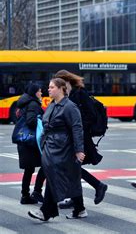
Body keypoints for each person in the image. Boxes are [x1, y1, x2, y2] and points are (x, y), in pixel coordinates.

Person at [28, 78, 86, 221]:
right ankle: (79, 208)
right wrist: (42, 142)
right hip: (50, 146)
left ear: (61, 89)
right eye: (49, 87)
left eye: (52, 87)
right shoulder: (52, 105)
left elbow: (77, 129)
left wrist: (79, 150)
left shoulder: (70, 107)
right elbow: (46, 125)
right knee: (68, 178)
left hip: (63, 148)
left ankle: (46, 211)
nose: (49, 89)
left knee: (54, 176)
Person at [53, 70, 108, 208]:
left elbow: (90, 115)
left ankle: (96, 187)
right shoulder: (68, 94)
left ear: (66, 81)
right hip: (71, 136)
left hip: (80, 136)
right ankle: (80, 199)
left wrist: (78, 126)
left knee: (71, 167)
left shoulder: (80, 93)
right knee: (72, 168)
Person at [15, 83, 46, 204]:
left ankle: (26, 195)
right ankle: (35, 192)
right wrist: (42, 120)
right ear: (34, 93)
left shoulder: (24, 102)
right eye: (39, 91)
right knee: (45, 165)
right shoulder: (33, 104)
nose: (41, 93)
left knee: (29, 169)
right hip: (30, 142)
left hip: (25, 141)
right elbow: (31, 121)